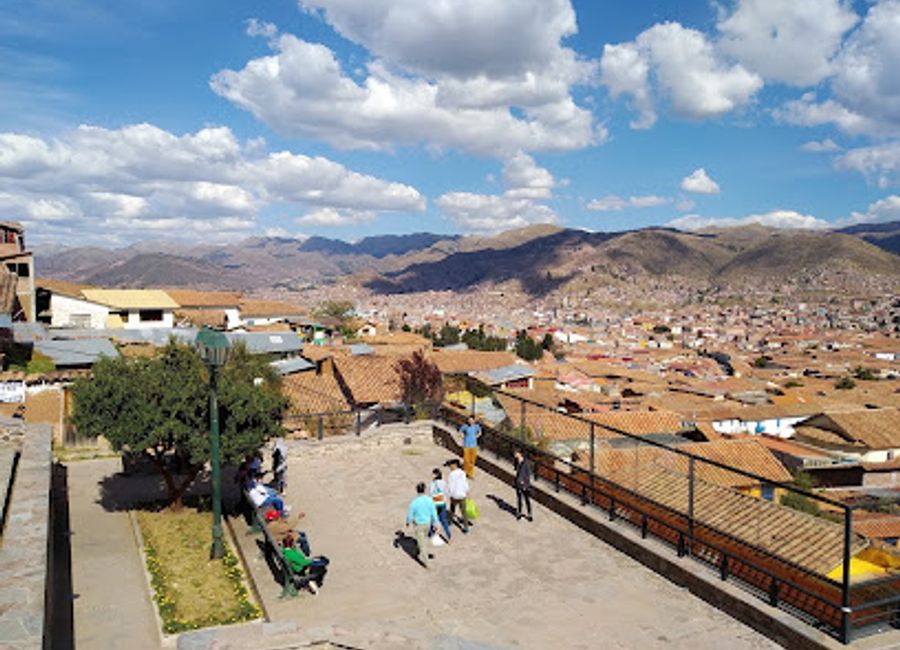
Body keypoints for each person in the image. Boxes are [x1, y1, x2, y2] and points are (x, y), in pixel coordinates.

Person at [406, 482, 439, 567]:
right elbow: (433, 512)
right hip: (427, 524)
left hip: (419, 525)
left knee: (422, 543)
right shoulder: (429, 500)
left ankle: (425, 562)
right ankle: (416, 552)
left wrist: (408, 521)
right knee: (422, 540)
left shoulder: (415, 502)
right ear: (424, 490)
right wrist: (435, 523)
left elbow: (410, 513)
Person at [446, 458, 471, 534]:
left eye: (450, 465)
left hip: (454, 495)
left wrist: (449, 494)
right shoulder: (462, 473)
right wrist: (466, 492)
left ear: (455, 465)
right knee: (464, 512)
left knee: (452, 508)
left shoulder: (451, 474)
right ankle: (466, 527)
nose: (450, 467)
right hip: (462, 495)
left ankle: (450, 521)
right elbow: (465, 484)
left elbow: (450, 485)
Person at [429, 468, 452, 542]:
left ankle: (430, 533)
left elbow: (431, 493)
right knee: (443, 520)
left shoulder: (432, 483)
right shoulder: (444, 482)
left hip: (435, 504)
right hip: (442, 503)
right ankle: (448, 535)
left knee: (433, 519)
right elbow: (447, 492)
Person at [513, 449, 533, 521]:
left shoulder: (526, 463)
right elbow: (517, 472)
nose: (514, 455)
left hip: (525, 484)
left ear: (519, 454)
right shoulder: (516, 462)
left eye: (515, 453)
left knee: (527, 499)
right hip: (518, 483)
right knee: (519, 499)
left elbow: (529, 474)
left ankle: (529, 514)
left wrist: (525, 483)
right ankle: (519, 513)